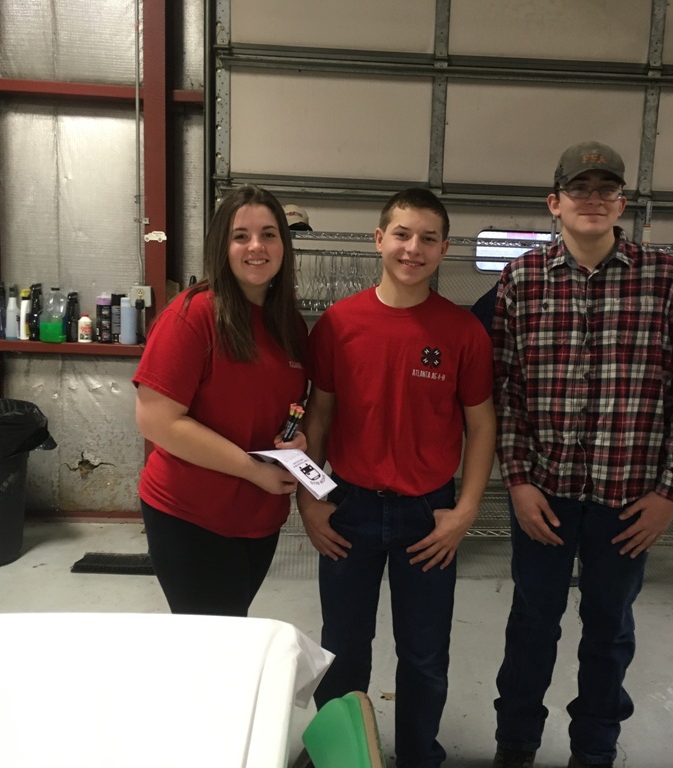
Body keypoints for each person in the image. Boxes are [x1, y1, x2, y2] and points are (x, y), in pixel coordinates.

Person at [490, 141, 673, 768]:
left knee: (609, 628)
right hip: (545, 497)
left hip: (629, 499)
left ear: (622, 203)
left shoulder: (665, 279)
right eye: (579, 189)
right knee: (533, 622)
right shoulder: (521, 280)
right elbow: (505, 390)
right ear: (554, 202)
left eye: (605, 189)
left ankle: (595, 749)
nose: (593, 199)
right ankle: (516, 744)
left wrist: (671, 492)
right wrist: (519, 481)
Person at [297, 187, 497, 768]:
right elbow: (319, 417)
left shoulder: (462, 332)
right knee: (342, 651)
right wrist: (311, 500)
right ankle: (343, 756)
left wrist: (465, 511)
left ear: (444, 250)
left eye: (428, 238)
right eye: (403, 235)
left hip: (427, 517)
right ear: (379, 239)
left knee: (425, 655)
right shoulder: (338, 325)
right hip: (349, 510)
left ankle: (416, 757)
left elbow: (481, 425)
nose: (414, 248)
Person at [133, 185, 308, 617]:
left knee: (232, 630)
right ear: (221, 247)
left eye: (269, 234)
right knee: (212, 644)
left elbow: (282, 408)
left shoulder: (288, 324)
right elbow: (157, 421)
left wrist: (295, 441)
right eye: (240, 236)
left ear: (283, 246)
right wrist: (252, 471)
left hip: (258, 517)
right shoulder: (192, 315)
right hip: (192, 516)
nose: (256, 246)